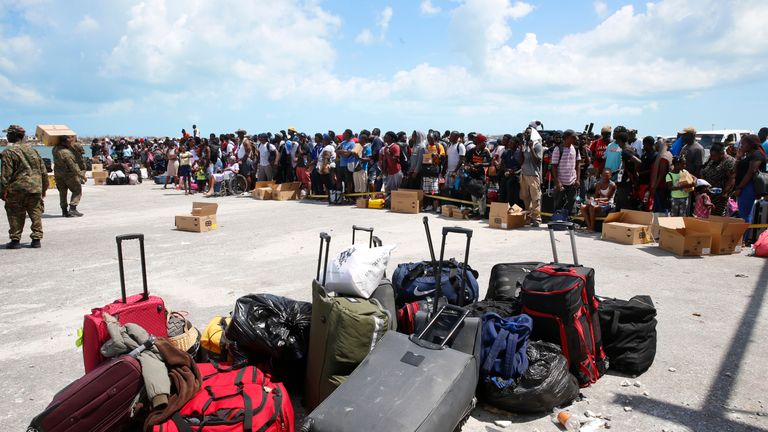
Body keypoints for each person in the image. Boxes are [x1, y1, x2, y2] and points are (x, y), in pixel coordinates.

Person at [0, 125, 47, 249]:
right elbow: (43, 171)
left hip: (17, 188)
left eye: (8, 134)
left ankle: (15, 240)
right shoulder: (33, 150)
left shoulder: (8, 152)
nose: (7, 136)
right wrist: (44, 188)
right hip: (35, 187)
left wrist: (2, 191)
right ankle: (36, 239)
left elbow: (6, 174)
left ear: (14, 135)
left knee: (15, 214)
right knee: (35, 212)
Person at [733, 134, 767, 222]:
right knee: (742, 214)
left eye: (743, 143)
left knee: (745, 215)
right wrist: (738, 157)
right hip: (744, 186)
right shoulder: (748, 156)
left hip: (749, 187)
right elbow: (735, 170)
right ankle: (744, 235)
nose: (741, 146)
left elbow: (751, 172)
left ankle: (746, 236)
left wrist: (740, 187)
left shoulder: (757, 155)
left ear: (750, 144)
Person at [53, 135, 86, 217]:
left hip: (58, 175)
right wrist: (82, 175)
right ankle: (73, 208)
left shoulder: (55, 149)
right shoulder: (67, 153)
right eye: (68, 142)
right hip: (69, 175)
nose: (70, 143)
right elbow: (73, 166)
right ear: (64, 142)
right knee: (77, 190)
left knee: (62, 192)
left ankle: (64, 211)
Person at [550, 129, 581, 215]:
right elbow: (554, 167)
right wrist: (557, 182)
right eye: (573, 137)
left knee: (572, 200)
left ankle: (567, 218)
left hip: (572, 181)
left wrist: (577, 179)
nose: (576, 139)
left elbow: (578, 165)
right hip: (561, 182)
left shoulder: (576, 149)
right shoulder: (558, 149)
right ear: (567, 138)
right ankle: (556, 220)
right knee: (558, 202)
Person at [701, 143, 736, 216]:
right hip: (709, 193)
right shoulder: (712, 159)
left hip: (720, 196)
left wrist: (725, 192)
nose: (712, 157)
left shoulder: (730, 161)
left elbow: (731, 178)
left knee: (717, 216)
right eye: (711, 155)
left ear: (722, 154)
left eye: (714, 155)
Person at [465, 134, 492, 216]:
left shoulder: (485, 152)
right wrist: (470, 167)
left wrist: (481, 164)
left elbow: (489, 163)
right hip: (472, 176)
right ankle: (475, 211)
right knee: (473, 195)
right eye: (484, 142)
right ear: (479, 143)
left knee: (481, 195)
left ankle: (481, 213)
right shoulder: (471, 151)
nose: (485, 144)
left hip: (481, 176)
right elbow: (466, 162)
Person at [421, 131, 445, 211]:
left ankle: (437, 206)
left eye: (430, 138)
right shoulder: (426, 146)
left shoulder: (439, 146)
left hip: (435, 171)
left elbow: (442, 157)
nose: (429, 140)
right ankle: (429, 205)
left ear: (434, 138)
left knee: (435, 190)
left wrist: (436, 157)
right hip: (427, 171)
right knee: (427, 190)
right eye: (428, 138)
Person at [650, 139, 673, 214]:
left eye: (657, 144)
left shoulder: (663, 157)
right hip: (664, 186)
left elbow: (662, 174)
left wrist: (655, 187)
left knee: (660, 209)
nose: (655, 146)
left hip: (661, 187)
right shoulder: (668, 154)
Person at [444, 131, 466, 196]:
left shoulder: (460, 146)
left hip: (457, 172)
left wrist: (455, 171)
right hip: (449, 171)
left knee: (456, 189)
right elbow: (447, 158)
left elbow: (461, 160)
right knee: (448, 189)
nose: (449, 137)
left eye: (451, 136)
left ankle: (457, 205)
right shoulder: (449, 145)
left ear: (456, 137)